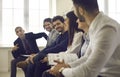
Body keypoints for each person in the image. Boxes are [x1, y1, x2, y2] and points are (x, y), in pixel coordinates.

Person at [42, 0, 120, 77]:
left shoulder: (106, 27)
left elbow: (89, 71)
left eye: (74, 9)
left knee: (48, 74)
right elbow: (86, 57)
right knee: (48, 73)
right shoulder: (96, 25)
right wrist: (68, 66)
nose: (76, 19)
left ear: (81, 10)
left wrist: (62, 70)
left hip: (104, 75)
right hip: (97, 73)